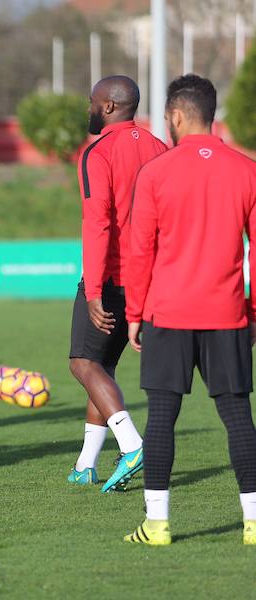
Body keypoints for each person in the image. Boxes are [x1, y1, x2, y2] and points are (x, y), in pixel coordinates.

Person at [123, 74, 256, 545]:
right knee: (238, 415)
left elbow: (140, 249)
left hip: (169, 313)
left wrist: (135, 313)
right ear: (211, 114)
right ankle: (253, 524)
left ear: (176, 116)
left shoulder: (156, 172)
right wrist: (252, 310)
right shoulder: (247, 170)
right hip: (227, 314)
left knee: (161, 416)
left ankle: (157, 526)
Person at [67, 75, 167, 493]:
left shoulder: (98, 152)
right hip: (153, 278)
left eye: (92, 102)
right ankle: (87, 464)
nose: (89, 108)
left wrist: (93, 291)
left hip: (112, 277)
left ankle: (131, 444)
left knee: (83, 364)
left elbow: (98, 223)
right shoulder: (161, 149)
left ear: (108, 106)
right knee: (103, 367)